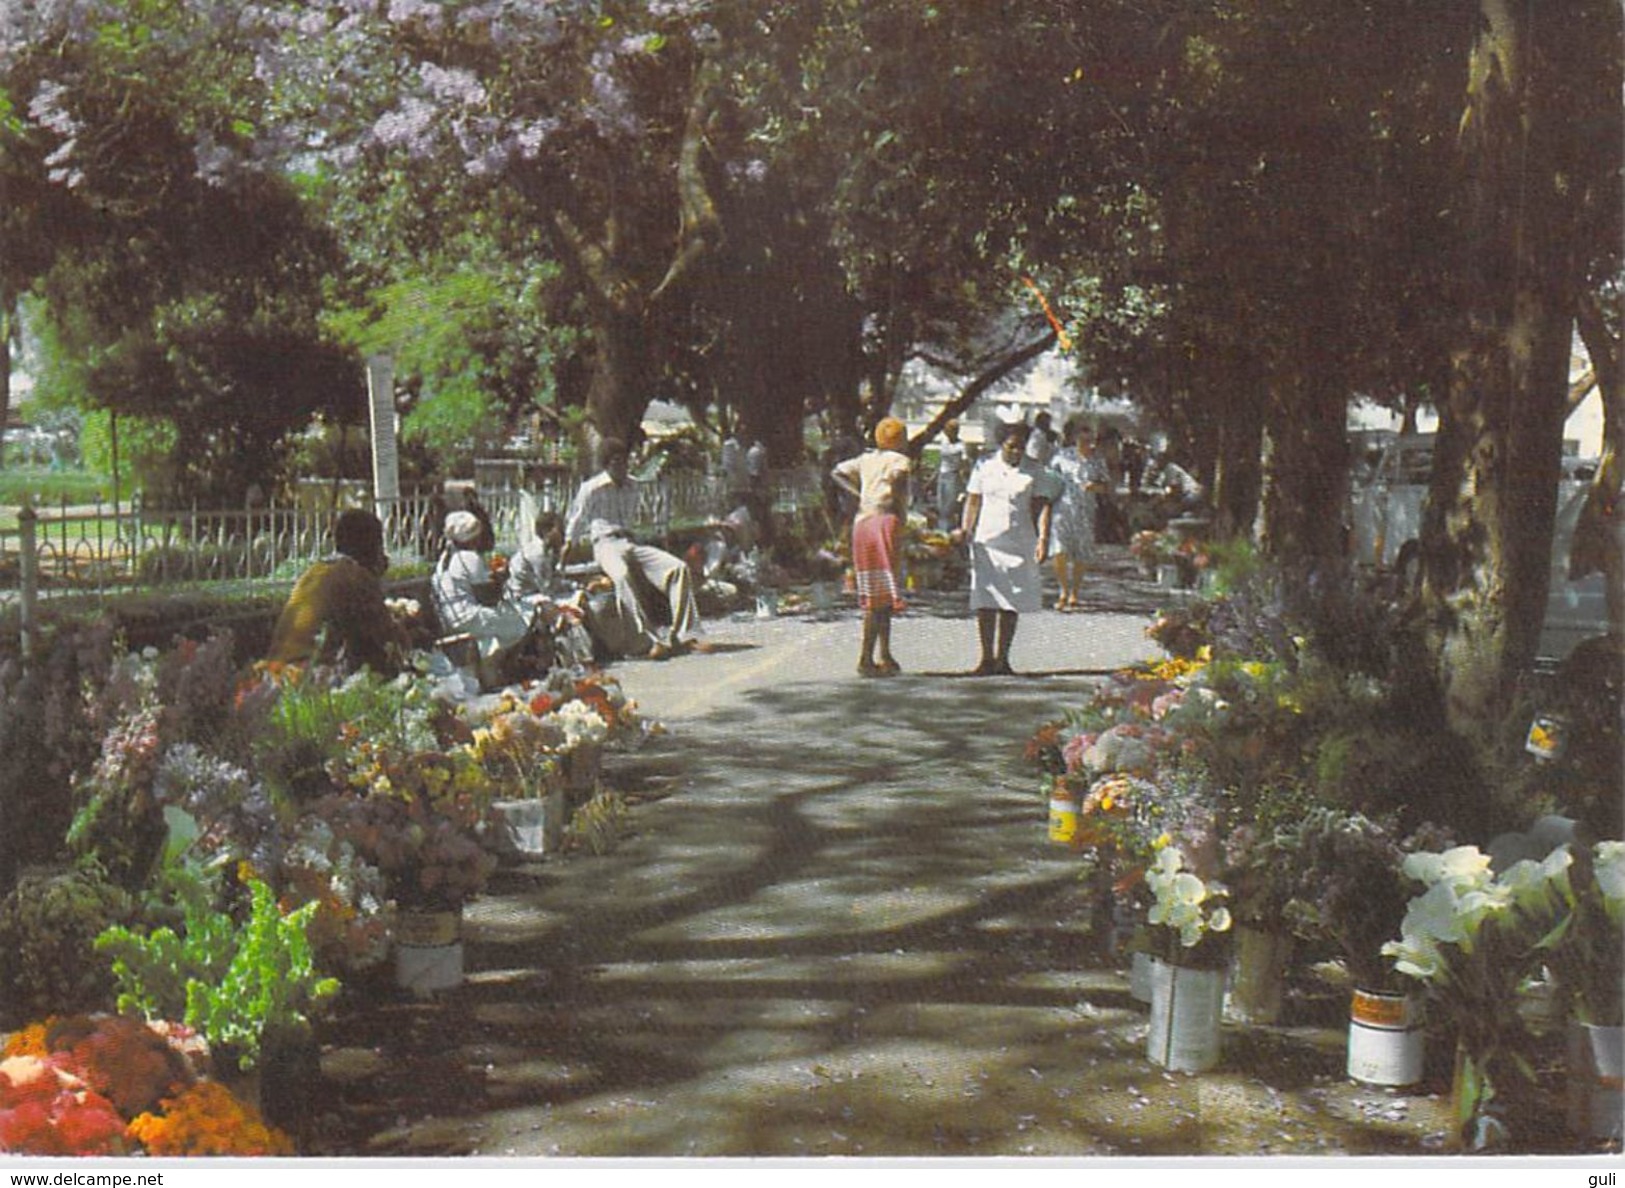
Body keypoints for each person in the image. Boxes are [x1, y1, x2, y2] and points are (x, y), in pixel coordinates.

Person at [564, 438, 704, 660]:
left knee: (677, 568)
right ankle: (646, 640)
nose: (622, 467)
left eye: (625, 461)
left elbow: (644, 517)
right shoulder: (591, 488)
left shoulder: (634, 485)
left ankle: (685, 634)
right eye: (616, 462)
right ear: (606, 463)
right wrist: (566, 551)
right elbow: (576, 521)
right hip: (605, 544)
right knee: (622, 576)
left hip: (630, 541)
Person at [954, 419, 1060, 676]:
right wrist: (965, 531)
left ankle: (1004, 658)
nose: (1016, 452)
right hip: (987, 541)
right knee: (986, 600)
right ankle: (985, 658)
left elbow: (1042, 505)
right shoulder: (984, 466)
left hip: (1019, 541)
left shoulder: (1034, 470)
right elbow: (973, 500)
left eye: (1021, 447)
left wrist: (1043, 538)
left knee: (1012, 601)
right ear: (1001, 443)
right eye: (1011, 446)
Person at [268, 509, 408, 676]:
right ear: (373, 547)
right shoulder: (354, 575)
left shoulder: (317, 570)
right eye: (380, 546)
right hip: (306, 675)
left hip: (277, 670)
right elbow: (385, 635)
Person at [831, 417, 912, 677]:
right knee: (881, 595)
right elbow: (898, 483)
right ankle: (867, 657)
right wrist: (902, 514)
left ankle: (884, 654)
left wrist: (858, 494)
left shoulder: (866, 459)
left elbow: (837, 472)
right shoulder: (900, 461)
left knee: (877, 592)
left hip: (862, 523)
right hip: (885, 523)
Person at [431, 509, 539, 684]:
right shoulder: (469, 558)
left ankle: (492, 669)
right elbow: (489, 598)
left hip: (451, 616)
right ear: (473, 537)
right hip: (468, 616)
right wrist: (502, 578)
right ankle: (503, 667)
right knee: (523, 617)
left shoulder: (445, 557)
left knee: (503, 620)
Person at [1050, 419, 1112, 612]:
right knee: (1059, 550)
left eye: (1089, 440)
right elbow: (1049, 479)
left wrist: (1096, 487)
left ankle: (1074, 591)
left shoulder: (1097, 460)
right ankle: (1063, 590)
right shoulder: (1062, 456)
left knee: (1080, 553)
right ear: (1075, 439)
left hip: (1085, 511)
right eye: (1082, 439)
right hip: (1062, 509)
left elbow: (1107, 486)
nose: (1086, 444)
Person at [934, 419, 968, 532]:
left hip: (953, 475)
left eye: (950, 430)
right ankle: (940, 529)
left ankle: (947, 529)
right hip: (942, 475)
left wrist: (964, 482)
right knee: (940, 504)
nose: (947, 433)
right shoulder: (944, 441)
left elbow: (964, 464)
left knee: (949, 506)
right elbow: (940, 461)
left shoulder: (961, 446)